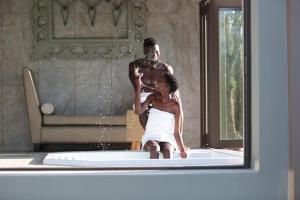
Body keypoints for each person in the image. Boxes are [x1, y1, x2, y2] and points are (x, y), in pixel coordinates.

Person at [128, 37, 183, 132]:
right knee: (143, 109)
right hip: (143, 95)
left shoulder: (165, 68)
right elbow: (137, 85)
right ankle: (150, 135)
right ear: (145, 51)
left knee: (178, 103)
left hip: (160, 95)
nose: (156, 55)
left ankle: (177, 138)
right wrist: (156, 91)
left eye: (157, 52)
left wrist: (176, 94)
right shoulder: (135, 66)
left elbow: (172, 85)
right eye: (152, 52)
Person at [133, 69, 187, 159]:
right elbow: (138, 111)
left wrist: (182, 150)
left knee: (167, 151)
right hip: (150, 137)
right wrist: (138, 87)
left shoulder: (175, 106)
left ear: (166, 87)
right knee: (154, 148)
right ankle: (152, 173)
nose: (157, 81)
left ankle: (166, 172)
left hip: (168, 138)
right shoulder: (152, 98)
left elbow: (177, 132)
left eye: (160, 80)